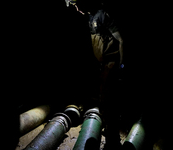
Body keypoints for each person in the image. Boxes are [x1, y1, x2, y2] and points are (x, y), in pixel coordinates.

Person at [67, 0, 124, 149]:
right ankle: (110, 132)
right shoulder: (90, 17)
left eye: (78, 4)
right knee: (104, 98)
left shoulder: (103, 15)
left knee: (110, 98)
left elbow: (121, 40)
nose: (77, 7)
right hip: (103, 64)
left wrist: (122, 64)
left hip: (111, 64)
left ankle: (113, 138)